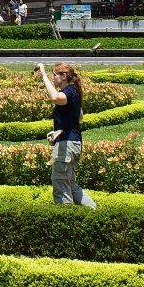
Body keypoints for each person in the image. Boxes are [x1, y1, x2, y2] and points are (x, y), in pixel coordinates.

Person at [38, 62, 95, 208]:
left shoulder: (69, 92)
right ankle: (93, 210)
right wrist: (58, 130)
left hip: (67, 145)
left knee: (61, 184)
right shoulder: (73, 92)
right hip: (72, 142)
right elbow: (79, 116)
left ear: (63, 76)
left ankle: (66, 218)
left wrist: (43, 74)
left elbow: (55, 98)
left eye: (54, 75)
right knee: (69, 183)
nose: (53, 79)